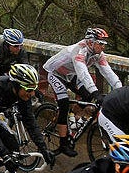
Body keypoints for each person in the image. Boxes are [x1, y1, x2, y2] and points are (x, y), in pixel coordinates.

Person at [43, 27, 123, 157]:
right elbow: (83, 73)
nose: (103, 47)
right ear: (91, 42)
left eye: (104, 44)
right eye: (101, 43)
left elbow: (108, 72)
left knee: (87, 97)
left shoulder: (98, 54)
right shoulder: (79, 51)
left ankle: (73, 117)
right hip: (56, 73)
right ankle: (63, 144)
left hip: (71, 74)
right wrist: (95, 92)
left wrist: (120, 90)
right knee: (63, 104)